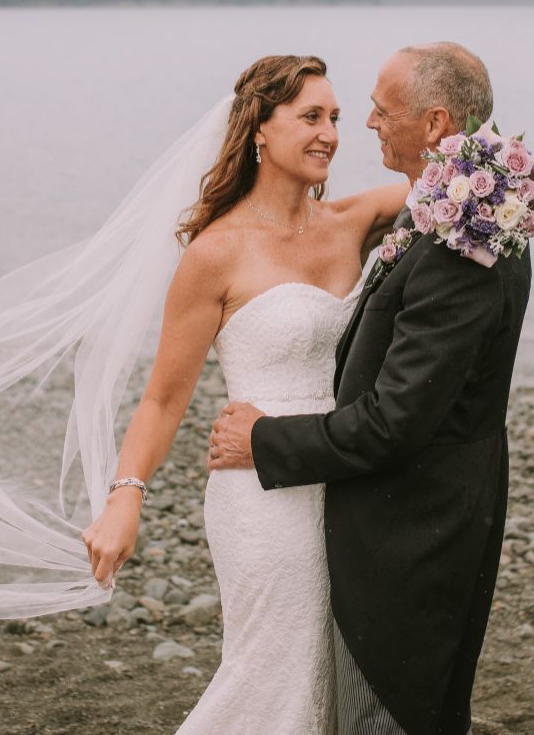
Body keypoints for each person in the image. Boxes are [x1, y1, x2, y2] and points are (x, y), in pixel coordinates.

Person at [208, 42, 532, 735]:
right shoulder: (456, 204)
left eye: (381, 112)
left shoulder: (460, 241)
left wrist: (261, 437)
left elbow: (393, 423)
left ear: (436, 121)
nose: (365, 125)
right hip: (410, 512)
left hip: (412, 530)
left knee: (387, 714)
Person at [80, 54, 406, 732]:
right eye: (310, 116)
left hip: (342, 476)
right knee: (270, 672)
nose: (330, 133)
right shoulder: (215, 253)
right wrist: (125, 496)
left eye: (338, 118)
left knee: (325, 673)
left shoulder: (352, 220)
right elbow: (163, 400)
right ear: (258, 128)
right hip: (260, 495)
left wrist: (477, 149)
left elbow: (458, 181)